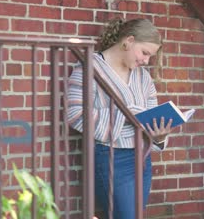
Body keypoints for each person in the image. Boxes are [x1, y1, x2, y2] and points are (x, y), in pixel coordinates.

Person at [67, 18, 173, 219]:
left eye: (150, 56)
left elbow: (148, 118)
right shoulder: (89, 68)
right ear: (129, 41)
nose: (146, 61)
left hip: (142, 158)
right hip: (110, 157)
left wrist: (158, 136)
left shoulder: (143, 78)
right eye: (144, 53)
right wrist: (127, 115)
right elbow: (75, 113)